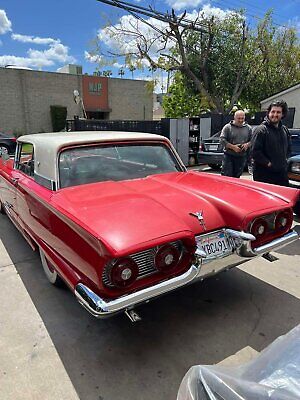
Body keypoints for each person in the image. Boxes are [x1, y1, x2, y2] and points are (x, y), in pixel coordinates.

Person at [252, 100, 291, 186]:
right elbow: (255, 152)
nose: (275, 114)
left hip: (281, 174)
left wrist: (284, 161)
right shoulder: (261, 130)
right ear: (268, 112)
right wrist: (269, 164)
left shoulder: (284, 130)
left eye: (278, 112)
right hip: (264, 175)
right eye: (273, 111)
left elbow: (288, 149)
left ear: (283, 114)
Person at [220, 110, 252, 178]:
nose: (240, 120)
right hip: (229, 156)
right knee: (227, 176)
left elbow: (253, 140)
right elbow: (222, 140)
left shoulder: (248, 128)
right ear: (234, 117)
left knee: (237, 177)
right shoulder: (227, 127)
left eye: (242, 118)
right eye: (239, 118)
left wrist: (247, 145)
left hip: (241, 157)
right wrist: (233, 147)